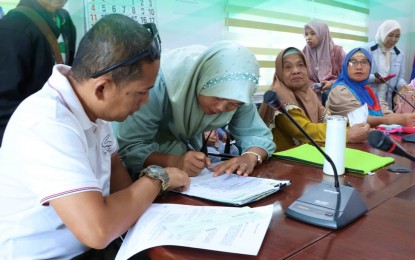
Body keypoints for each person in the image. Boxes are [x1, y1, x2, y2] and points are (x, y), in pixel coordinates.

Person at [0, 14, 189, 259]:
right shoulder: (47, 123)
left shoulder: (95, 112)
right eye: (142, 92)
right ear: (102, 87)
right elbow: (98, 230)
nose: (146, 102)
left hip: (90, 248)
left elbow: (119, 184)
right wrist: (157, 178)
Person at [117, 41, 275, 178]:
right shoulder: (156, 85)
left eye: (233, 105)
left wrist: (249, 157)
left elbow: (255, 133)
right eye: (217, 98)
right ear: (200, 81)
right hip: (138, 175)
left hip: (191, 173)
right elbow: (132, 146)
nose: (222, 108)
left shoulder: (238, 91)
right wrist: (173, 161)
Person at [258, 47, 370, 151]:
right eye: (288, 67)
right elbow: (304, 130)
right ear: (279, 72)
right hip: (281, 163)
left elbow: (327, 118)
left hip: (308, 154)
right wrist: (346, 134)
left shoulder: (308, 92)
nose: (296, 70)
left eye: (301, 65)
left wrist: (354, 127)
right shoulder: (277, 95)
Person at [0, 0, 76, 146]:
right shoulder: (12, 28)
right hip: (27, 138)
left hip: (56, 129)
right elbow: (3, 101)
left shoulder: (65, 20)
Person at [326, 47, 415, 128]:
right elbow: (358, 120)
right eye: (353, 62)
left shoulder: (369, 91)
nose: (359, 67)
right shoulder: (340, 91)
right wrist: (396, 120)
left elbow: (386, 114)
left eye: (364, 62)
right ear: (345, 66)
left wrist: (408, 118)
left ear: (370, 67)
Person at [361, 20, 410, 110]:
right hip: (367, 98)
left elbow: (399, 78)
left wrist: (403, 85)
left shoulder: (400, 54)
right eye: (390, 35)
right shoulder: (366, 49)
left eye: (397, 36)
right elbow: (357, 75)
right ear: (383, 33)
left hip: (386, 101)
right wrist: (374, 79)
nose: (393, 39)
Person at [303, 19, 345, 105]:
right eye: (306, 34)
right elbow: (303, 76)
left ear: (322, 33)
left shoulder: (337, 51)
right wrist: (313, 85)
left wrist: (331, 83)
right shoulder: (304, 52)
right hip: (312, 96)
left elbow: (347, 76)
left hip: (337, 95)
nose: (308, 38)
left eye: (313, 33)